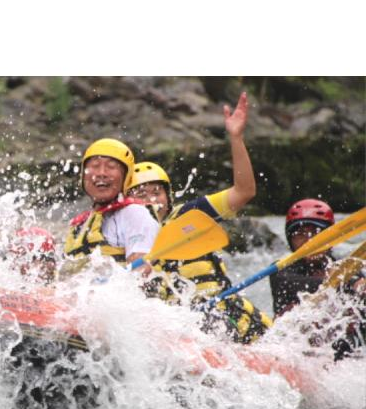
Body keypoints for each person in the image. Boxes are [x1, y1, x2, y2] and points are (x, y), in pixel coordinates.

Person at [125, 92, 272, 344]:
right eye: (140, 194)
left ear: (168, 197)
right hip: (177, 326)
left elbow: (244, 191)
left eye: (155, 192)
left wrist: (235, 138)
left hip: (223, 315)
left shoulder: (190, 214)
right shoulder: (126, 239)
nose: (150, 199)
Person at [62, 138, 159, 272]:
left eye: (111, 167)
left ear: (126, 177)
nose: (101, 173)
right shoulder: (78, 226)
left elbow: (142, 275)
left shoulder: (134, 214)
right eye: (95, 166)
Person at [269, 199, 336, 317]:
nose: (309, 241)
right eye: (300, 234)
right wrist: (342, 281)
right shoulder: (280, 269)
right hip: (295, 332)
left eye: (316, 232)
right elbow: (295, 284)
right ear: (291, 240)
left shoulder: (346, 267)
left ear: (331, 237)